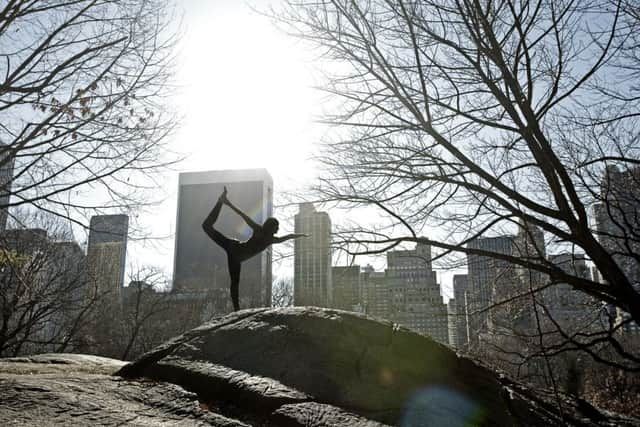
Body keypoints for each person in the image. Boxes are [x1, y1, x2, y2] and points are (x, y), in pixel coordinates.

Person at [202, 186, 307, 311]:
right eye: (276, 227)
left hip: (236, 257)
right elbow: (244, 216)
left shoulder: (271, 240)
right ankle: (220, 201)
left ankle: (236, 310)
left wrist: (300, 235)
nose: (278, 230)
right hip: (234, 247)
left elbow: (288, 236)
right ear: (271, 227)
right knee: (206, 226)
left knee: (235, 283)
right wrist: (228, 204)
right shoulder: (259, 231)